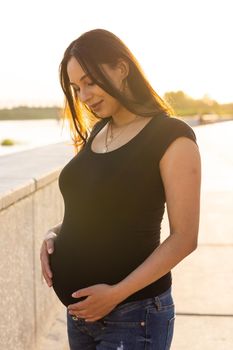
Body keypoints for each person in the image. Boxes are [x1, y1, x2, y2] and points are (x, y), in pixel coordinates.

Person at [40, 28, 201, 350]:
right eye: (76, 88)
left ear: (121, 68)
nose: (83, 96)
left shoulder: (172, 137)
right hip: (81, 313)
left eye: (90, 82)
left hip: (133, 313)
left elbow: (184, 238)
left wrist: (116, 293)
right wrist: (56, 234)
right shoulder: (100, 131)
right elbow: (102, 208)